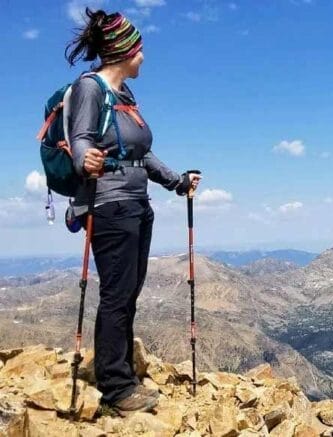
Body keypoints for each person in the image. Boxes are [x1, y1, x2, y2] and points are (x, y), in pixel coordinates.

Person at [65, 8, 201, 413]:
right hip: (110, 207)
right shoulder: (90, 88)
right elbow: (79, 139)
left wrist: (177, 181)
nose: (143, 58)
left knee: (128, 295)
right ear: (125, 51)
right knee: (117, 296)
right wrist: (84, 159)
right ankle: (117, 388)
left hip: (137, 207)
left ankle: (120, 373)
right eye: (140, 51)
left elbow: (143, 154)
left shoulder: (125, 96)